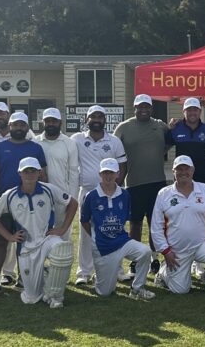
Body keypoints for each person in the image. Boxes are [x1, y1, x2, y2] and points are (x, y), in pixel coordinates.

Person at [0, 157, 77, 308]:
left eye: (33, 171)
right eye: (26, 171)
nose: (29, 174)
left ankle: (55, 296)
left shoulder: (49, 189)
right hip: (26, 247)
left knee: (62, 249)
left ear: (39, 173)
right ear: (19, 173)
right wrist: (9, 236)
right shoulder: (10, 195)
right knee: (31, 297)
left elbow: (73, 203)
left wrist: (62, 229)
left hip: (47, 239)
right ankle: (45, 275)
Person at [0, 112, 47, 296]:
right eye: (15, 125)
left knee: (27, 241)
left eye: (22, 125)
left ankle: (24, 278)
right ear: (10, 126)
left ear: (27, 127)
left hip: (29, 201)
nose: (18, 128)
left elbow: (43, 175)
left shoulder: (36, 148)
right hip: (4, 201)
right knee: (1, 241)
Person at [150, 155, 205, 294]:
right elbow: (156, 226)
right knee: (181, 290)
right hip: (177, 249)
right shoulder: (164, 194)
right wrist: (166, 251)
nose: (183, 172)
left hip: (202, 243)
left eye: (186, 169)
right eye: (179, 169)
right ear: (173, 172)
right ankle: (163, 272)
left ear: (192, 170)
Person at [80, 158, 156, 301]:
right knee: (105, 292)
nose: (108, 176)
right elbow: (84, 221)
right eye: (105, 173)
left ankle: (137, 289)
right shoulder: (91, 196)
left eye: (111, 173)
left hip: (122, 242)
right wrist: (96, 236)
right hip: (103, 247)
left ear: (118, 174)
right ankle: (101, 276)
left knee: (145, 252)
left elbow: (125, 217)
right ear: (100, 174)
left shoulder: (124, 194)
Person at [71, 105, 127, 285]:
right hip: (87, 192)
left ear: (104, 119)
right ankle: (84, 272)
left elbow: (122, 165)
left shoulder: (114, 141)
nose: (96, 120)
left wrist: (115, 188)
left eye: (100, 117)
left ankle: (117, 269)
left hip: (110, 194)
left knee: (113, 230)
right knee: (86, 232)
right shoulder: (77, 139)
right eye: (93, 117)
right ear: (86, 119)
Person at [113, 94, 169, 275]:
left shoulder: (160, 126)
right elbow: (114, 151)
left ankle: (154, 258)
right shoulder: (123, 127)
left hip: (157, 183)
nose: (143, 109)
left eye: (147, 106)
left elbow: (169, 142)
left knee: (155, 224)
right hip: (134, 183)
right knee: (135, 223)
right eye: (140, 107)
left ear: (151, 108)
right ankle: (136, 260)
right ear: (134, 108)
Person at [35, 108, 80, 242]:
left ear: (60, 122)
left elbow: (73, 173)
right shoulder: (35, 142)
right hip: (39, 195)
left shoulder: (69, 143)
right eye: (48, 121)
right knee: (39, 234)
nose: (51, 124)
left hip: (62, 197)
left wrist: (72, 199)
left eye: (54, 121)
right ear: (43, 122)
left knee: (62, 236)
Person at [166, 97, 205, 185]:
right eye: (189, 110)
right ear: (183, 111)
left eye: (195, 110)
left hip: (202, 180)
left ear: (200, 111)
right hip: (181, 179)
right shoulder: (175, 128)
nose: (192, 113)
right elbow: (164, 148)